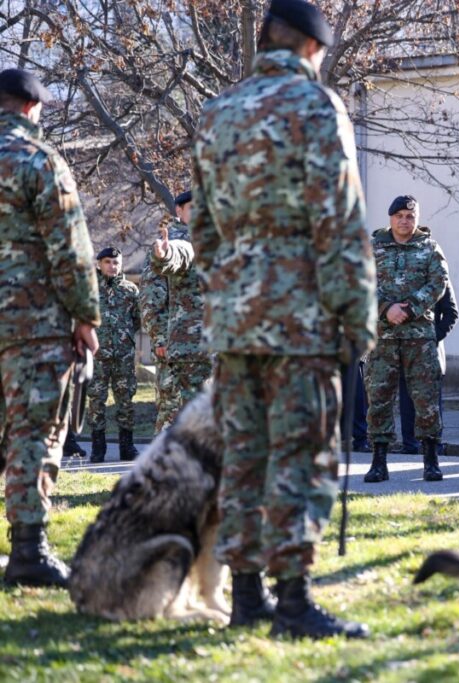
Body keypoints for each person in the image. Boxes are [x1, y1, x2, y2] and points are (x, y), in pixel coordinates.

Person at [190, 0, 376, 640]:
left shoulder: (217, 112)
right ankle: (292, 601)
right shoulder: (317, 106)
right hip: (301, 317)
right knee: (301, 453)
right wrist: (358, 315)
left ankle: (246, 596)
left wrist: (225, 297)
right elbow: (340, 219)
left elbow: (204, 230)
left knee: (244, 455)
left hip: (235, 319)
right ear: (312, 48)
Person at [0, 68, 101, 587]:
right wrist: (85, 316)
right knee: (33, 433)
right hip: (30, 325)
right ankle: (28, 551)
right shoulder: (38, 159)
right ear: (32, 108)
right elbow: (71, 250)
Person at [363, 195, 449, 483]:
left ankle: (431, 459)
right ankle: (378, 461)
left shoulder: (429, 247)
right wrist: (386, 309)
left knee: (426, 400)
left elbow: (438, 283)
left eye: (410, 216)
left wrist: (410, 308)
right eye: (399, 215)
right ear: (390, 218)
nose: (404, 220)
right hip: (382, 336)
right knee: (379, 399)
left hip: (419, 337)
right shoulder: (372, 247)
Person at [152, 190, 212, 423]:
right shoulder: (181, 239)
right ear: (179, 211)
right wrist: (164, 255)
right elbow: (178, 255)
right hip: (192, 345)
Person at [139, 193, 191, 433]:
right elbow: (151, 297)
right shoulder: (170, 242)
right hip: (175, 344)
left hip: (210, 346)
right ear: (179, 211)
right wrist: (159, 338)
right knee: (172, 409)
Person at [87, 246, 140, 463]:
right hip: (97, 356)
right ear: (99, 264)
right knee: (96, 402)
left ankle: (127, 447)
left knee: (125, 401)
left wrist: (124, 338)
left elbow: (136, 320)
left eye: (116, 262)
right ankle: (98, 448)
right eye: (108, 262)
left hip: (124, 357)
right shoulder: (89, 290)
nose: (112, 266)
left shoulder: (130, 290)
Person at [397, 282, 458, 455]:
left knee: (431, 402)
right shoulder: (401, 273)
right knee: (406, 399)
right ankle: (409, 444)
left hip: (430, 352)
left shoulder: (437, 275)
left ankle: (433, 446)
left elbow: (451, 314)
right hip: (403, 347)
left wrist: (432, 338)